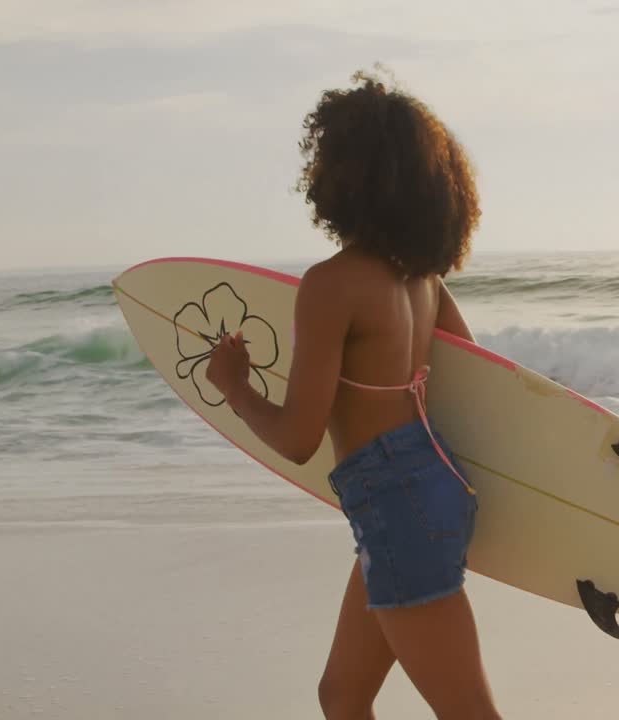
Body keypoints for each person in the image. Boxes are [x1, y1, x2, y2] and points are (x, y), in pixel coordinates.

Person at [206, 69, 501, 720]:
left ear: (342, 179)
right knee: (342, 695)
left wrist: (234, 387)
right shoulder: (425, 283)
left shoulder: (331, 286)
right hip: (432, 489)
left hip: (397, 505)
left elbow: (297, 437)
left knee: (469, 714)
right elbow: (479, 381)